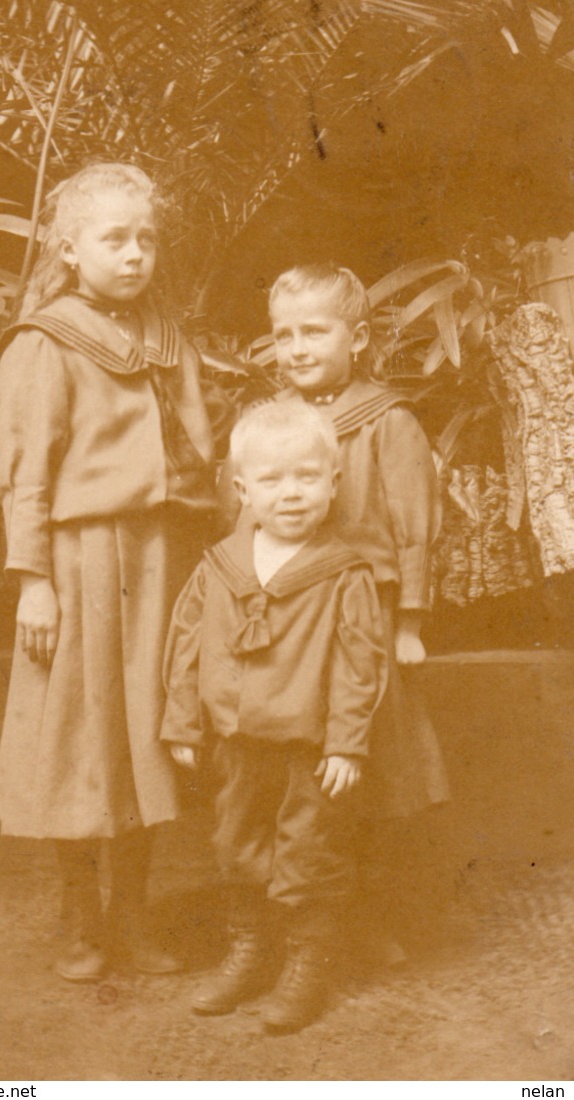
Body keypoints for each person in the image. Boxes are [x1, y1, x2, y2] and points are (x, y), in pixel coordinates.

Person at [0, 162, 217, 983]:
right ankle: (81, 920)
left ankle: (134, 916)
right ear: (69, 248)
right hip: (77, 561)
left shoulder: (164, 335)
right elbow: (25, 472)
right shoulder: (45, 342)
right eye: (113, 239)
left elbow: (197, 450)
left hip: (159, 554)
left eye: (145, 238)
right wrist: (33, 580)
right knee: (78, 735)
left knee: (148, 732)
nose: (133, 254)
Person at [161, 401, 387, 1033]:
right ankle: (250, 951)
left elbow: (359, 663)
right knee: (237, 844)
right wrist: (183, 721)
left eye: (307, 477)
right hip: (235, 743)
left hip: (308, 748)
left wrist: (346, 743)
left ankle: (308, 962)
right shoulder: (220, 567)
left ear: (333, 482)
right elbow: (185, 644)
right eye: (272, 480)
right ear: (241, 490)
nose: (291, 495)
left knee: (308, 850)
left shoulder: (344, 573)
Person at [265, 263, 451, 955]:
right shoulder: (273, 423)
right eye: (283, 335)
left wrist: (407, 622)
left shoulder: (386, 421)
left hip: (367, 617)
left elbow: (412, 527)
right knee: (306, 767)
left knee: (370, 766)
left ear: (359, 338)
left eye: (314, 331)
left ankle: (373, 917)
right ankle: (308, 919)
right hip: (295, 618)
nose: (298, 348)